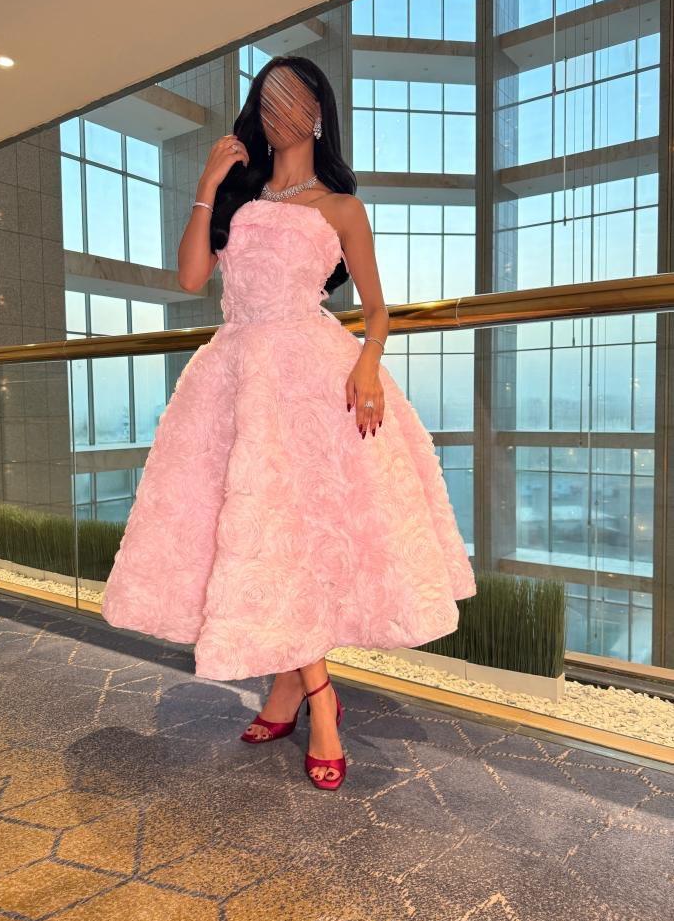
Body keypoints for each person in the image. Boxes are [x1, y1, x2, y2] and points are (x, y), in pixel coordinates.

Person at [100, 56, 476, 791]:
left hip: (310, 379)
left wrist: (368, 364)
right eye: (269, 101)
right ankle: (311, 692)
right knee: (268, 535)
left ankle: (301, 693)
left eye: (296, 99)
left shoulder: (341, 207)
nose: (281, 113)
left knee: (294, 534)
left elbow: (377, 310)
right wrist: (208, 184)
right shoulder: (238, 194)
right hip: (235, 376)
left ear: (319, 111)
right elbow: (190, 278)